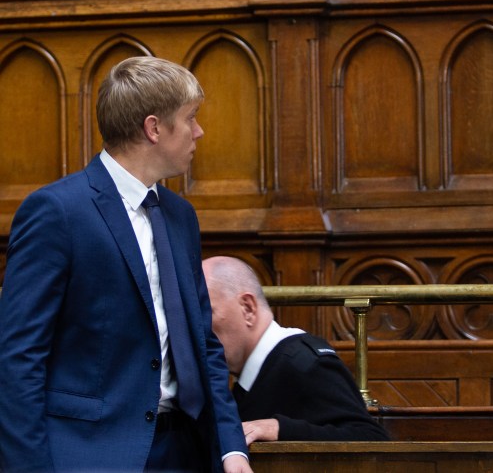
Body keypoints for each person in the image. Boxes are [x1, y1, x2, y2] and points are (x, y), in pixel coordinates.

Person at [0, 57, 251, 473]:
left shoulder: (180, 215)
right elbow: (19, 358)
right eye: (191, 118)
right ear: (154, 128)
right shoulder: (57, 212)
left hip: (186, 452)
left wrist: (231, 446)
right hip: (91, 454)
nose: (199, 131)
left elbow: (203, 344)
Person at [202, 256, 390, 444]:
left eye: (207, 313)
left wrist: (280, 428)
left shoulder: (305, 363)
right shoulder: (247, 374)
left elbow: (371, 440)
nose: (197, 329)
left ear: (248, 308)